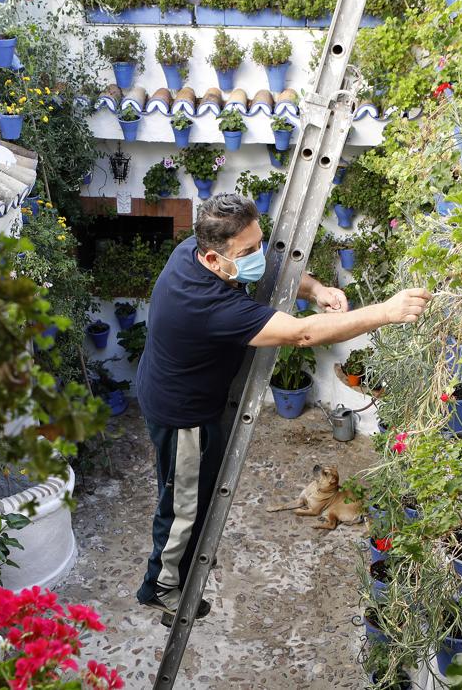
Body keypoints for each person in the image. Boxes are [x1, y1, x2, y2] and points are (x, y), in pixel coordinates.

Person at [133, 193, 432, 618]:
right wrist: (386, 311)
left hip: (189, 391)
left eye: (258, 242)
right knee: (183, 503)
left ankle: (181, 561)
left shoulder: (196, 248)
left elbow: (272, 264)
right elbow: (303, 335)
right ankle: (163, 585)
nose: (259, 254)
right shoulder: (205, 303)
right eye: (248, 251)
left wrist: (314, 289)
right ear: (216, 260)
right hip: (182, 413)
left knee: (196, 491)